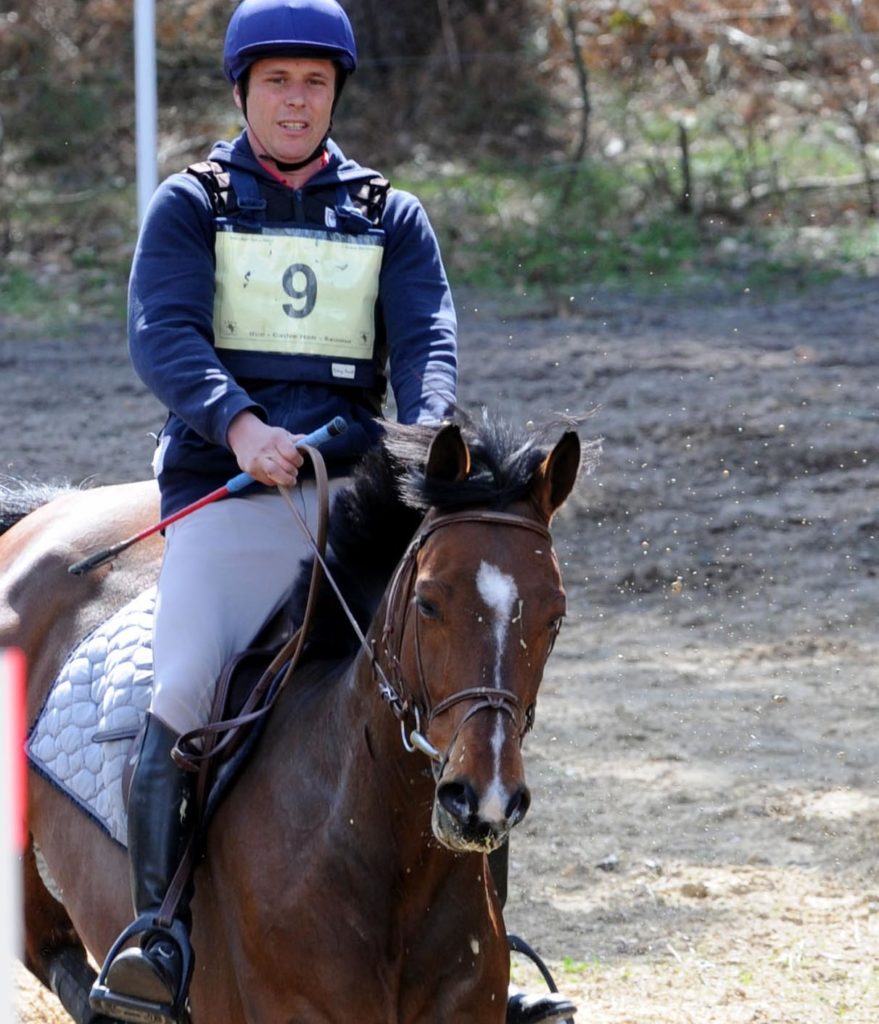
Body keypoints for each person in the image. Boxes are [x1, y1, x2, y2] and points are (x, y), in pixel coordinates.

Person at [90, 2, 576, 1023]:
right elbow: (162, 332)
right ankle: (158, 941)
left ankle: (489, 945)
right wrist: (238, 424)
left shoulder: (388, 214)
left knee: (463, 691)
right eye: (278, 82)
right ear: (244, 91)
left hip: (360, 495)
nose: (297, 100)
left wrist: (430, 431)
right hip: (231, 490)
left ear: (335, 93)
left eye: (314, 82)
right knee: (181, 691)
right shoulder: (193, 203)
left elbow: (429, 333)